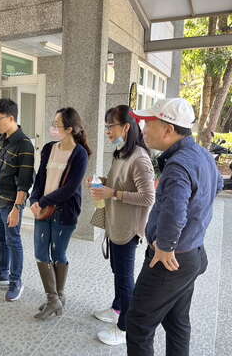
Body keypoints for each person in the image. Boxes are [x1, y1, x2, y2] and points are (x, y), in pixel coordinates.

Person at [126, 98, 223, 356]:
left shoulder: (178, 164)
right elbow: (217, 187)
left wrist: (166, 246)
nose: (143, 130)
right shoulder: (202, 154)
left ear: (168, 130)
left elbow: (175, 212)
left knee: (138, 324)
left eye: (149, 124)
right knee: (177, 321)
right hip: (193, 255)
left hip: (170, 261)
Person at [90, 105, 155, 345]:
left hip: (128, 229)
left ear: (125, 127)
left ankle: (125, 326)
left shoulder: (140, 158)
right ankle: (117, 308)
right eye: (106, 126)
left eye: (110, 126)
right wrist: (101, 183)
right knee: (118, 272)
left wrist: (114, 193)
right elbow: (118, 183)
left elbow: (148, 197)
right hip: (115, 224)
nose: (107, 130)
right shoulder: (120, 154)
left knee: (125, 278)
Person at [29, 107, 90, 320]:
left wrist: (44, 200)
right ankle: (54, 298)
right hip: (43, 210)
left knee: (58, 254)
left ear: (70, 129)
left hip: (65, 212)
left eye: (57, 124)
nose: (53, 127)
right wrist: (34, 199)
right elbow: (40, 179)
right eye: (53, 123)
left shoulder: (79, 154)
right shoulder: (48, 148)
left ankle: (56, 297)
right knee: (40, 252)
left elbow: (70, 188)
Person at [0, 98, 35, 302]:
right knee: (1, 238)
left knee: (14, 240)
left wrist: (17, 209)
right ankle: (2, 272)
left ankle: (16, 281)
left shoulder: (25, 145)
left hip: (12, 203)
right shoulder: (0, 138)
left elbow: (25, 183)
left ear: (11, 118)